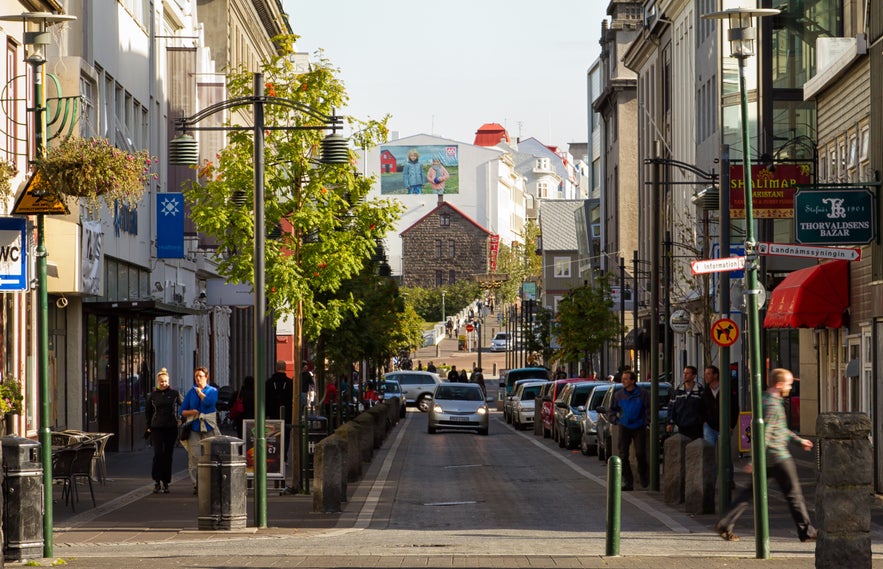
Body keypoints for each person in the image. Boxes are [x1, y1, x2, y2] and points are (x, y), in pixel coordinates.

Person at [715, 368, 818, 543]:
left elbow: (778, 429)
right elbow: (766, 432)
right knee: (794, 495)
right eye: (789, 384)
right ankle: (806, 531)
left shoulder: (766, 399)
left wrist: (798, 441)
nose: (790, 388)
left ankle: (726, 523)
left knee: (750, 493)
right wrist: (755, 460)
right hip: (778, 457)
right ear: (779, 384)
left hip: (768, 458)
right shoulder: (772, 405)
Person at [607, 370, 650, 491]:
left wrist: (646, 421)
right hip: (624, 426)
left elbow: (649, 409)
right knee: (623, 455)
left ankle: (643, 474)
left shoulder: (643, 394)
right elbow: (611, 410)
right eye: (622, 379)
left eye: (626, 379)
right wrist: (616, 420)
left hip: (639, 426)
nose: (623, 381)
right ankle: (628, 481)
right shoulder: (619, 395)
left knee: (640, 453)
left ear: (633, 381)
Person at [180, 367, 219, 494]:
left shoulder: (212, 390)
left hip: (209, 427)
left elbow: (209, 402)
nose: (198, 378)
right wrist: (192, 412)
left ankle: (210, 483)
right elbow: (182, 410)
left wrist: (201, 393)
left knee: (211, 456)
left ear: (206, 377)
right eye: (196, 376)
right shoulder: (191, 392)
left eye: (201, 376)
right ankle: (197, 485)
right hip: (194, 427)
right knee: (194, 457)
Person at [145, 368, 182, 494]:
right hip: (156, 428)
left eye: (165, 381)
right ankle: (156, 481)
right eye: (161, 381)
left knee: (168, 455)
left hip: (170, 427)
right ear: (157, 382)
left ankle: (166, 481)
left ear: (168, 381)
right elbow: (148, 412)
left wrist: (182, 419)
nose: (163, 384)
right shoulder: (153, 395)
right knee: (158, 454)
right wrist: (148, 426)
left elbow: (184, 405)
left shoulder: (174, 393)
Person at [701, 365, 738, 445]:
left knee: (724, 449)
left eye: (708, 374)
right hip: (709, 426)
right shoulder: (705, 392)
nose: (705, 377)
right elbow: (702, 408)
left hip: (724, 425)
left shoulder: (727, 390)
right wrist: (704, 422)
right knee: (709, 450)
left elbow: (734, 408)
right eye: (705, 374)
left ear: (715, 375)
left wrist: (731, 425)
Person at [666, 366, 704, 440]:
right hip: (681, 426)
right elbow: (671, 407)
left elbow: (704, 407)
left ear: (694, 376)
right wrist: (669, 423)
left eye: (687, 373)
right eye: (684, 373)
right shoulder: (678, 390)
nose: (685, 375)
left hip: (696, 427)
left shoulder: (700, 390)